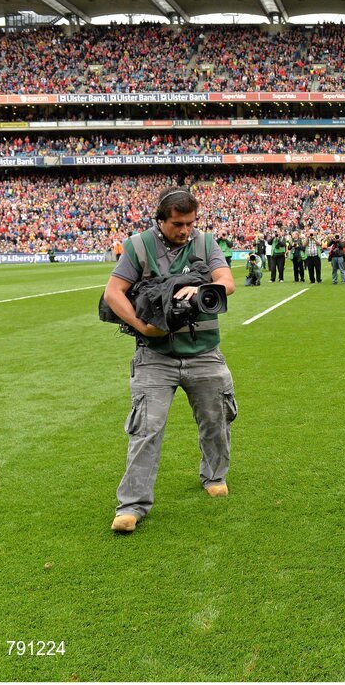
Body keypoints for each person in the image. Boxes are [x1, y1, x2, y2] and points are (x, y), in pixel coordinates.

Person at [102, 186, 238, 534]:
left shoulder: (205, 243)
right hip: (155, 355)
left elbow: (227, 281)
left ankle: (214, 475)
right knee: (146, 428)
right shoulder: (137, 245)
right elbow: (112, 292)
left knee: (216, 418)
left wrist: (204, 288)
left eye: (191, 223)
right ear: (160, 220)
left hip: (204, 350)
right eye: (178, 224)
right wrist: (143, 327)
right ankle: (132, 505)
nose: (185, 230)